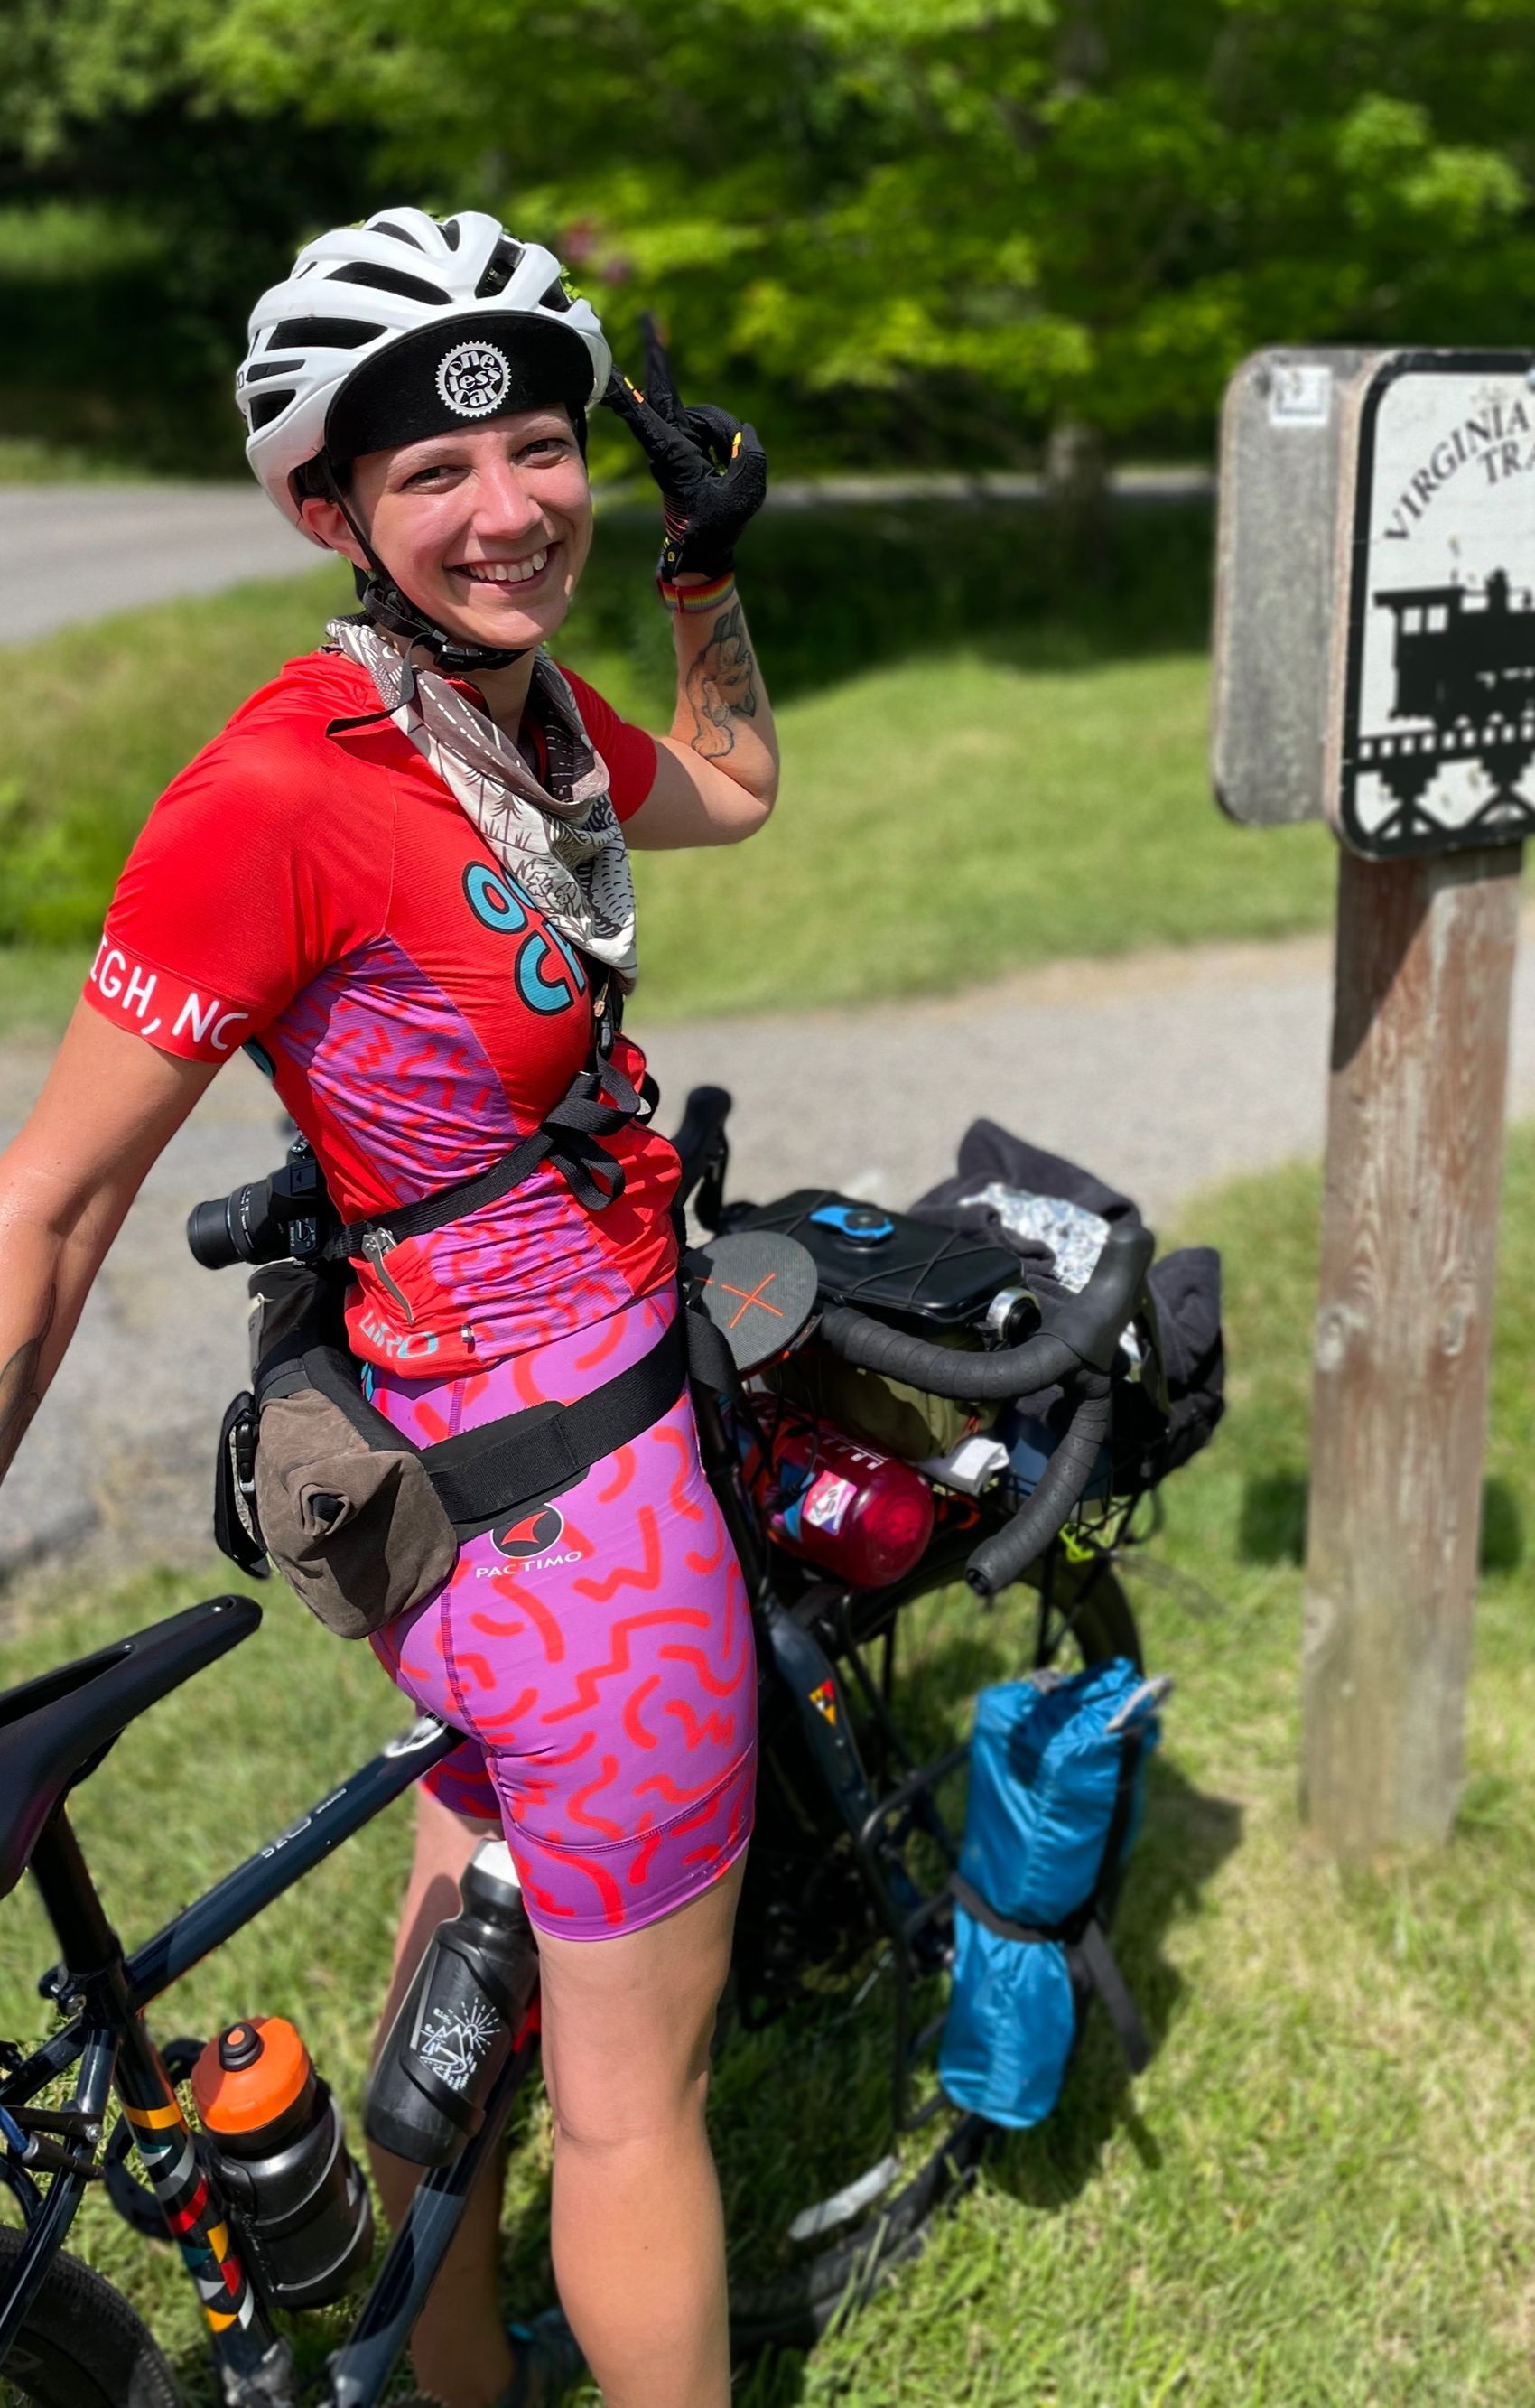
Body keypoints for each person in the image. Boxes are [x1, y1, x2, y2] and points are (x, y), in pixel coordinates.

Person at [0, 208, 777, 2408]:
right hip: (585, 1551)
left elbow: (723, 788)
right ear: (327, 508)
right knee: (633, 2110)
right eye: (431, 474)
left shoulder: (499, 730)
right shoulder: (276, 795)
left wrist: (706, 578)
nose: (509, 508)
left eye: (543, 449)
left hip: (453, 1513)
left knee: (456, 2050)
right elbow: (48, 1213)